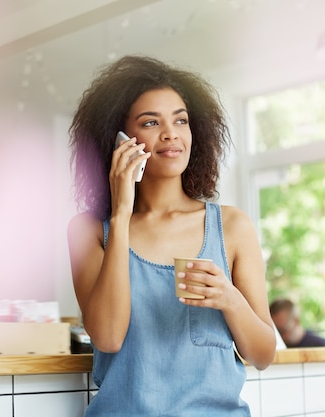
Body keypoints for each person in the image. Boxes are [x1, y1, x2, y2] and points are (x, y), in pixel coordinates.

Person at [67, 55, 276, 416]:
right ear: (118, 139)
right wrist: (120, 214)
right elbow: (108, 336)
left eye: (181, 120)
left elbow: (263, 354)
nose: (171, 133)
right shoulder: (90, 231)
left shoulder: (232, 227)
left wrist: (229, 298)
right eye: (151, 122)